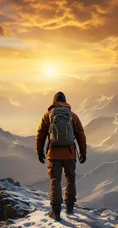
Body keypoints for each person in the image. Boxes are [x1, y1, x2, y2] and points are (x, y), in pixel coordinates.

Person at [36, 91, 87, 221]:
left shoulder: (47, 115)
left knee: (55, 180)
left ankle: (56, 211)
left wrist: (40, 151)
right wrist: (83, 153)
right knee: (70, 178)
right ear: (65, 101)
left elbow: (41, 135)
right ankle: (70, 207)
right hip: (70, 154)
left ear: (54, 102)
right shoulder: (73, 116)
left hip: (53, 154)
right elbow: (81, 135)